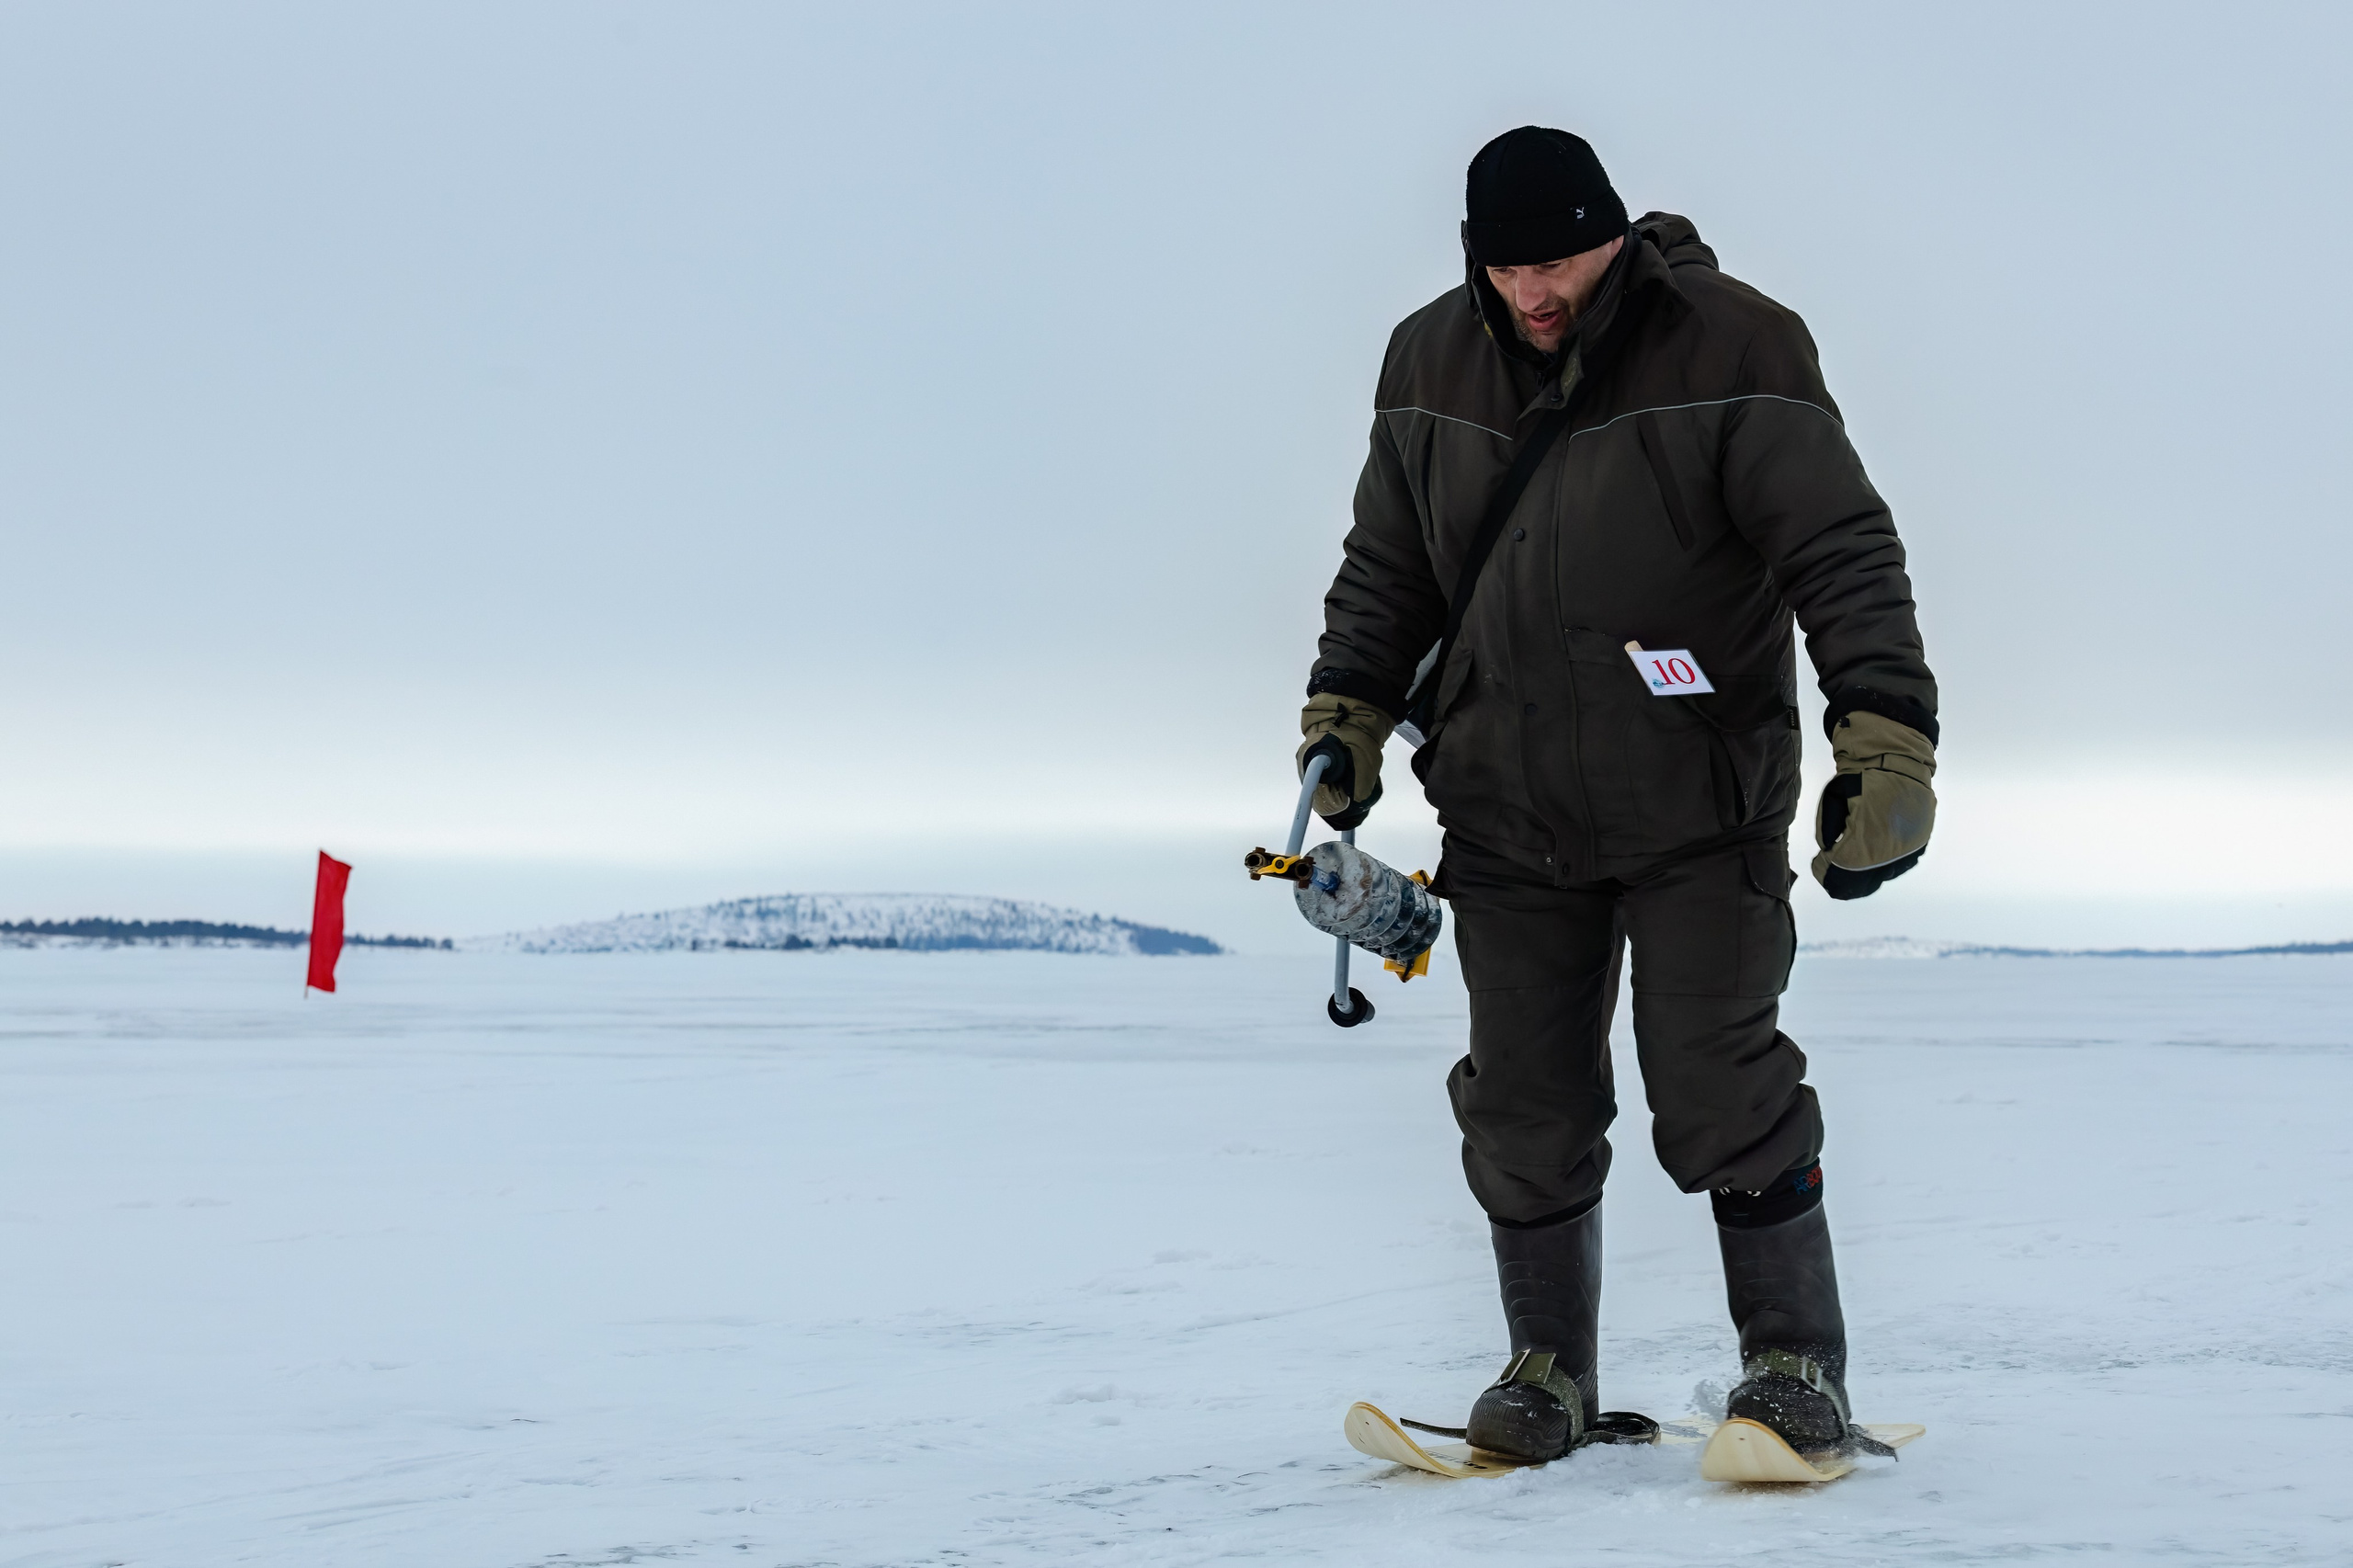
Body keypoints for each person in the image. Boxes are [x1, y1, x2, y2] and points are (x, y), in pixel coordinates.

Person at [1294, 126, 1938, 1461]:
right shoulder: (1426, 359)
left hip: (1698, 799)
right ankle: (1549, 1371)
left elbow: (1843, 549)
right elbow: (1388, 564)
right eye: (1509, 266)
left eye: (1563, 261)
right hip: (1504, 803)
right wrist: (1345, 712)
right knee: (1521, 1102)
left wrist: (1886, 741)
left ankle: (1793, 1367)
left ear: (1617, 233)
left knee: (1719, 1081)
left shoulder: (1737, 346)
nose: (1537, 293)